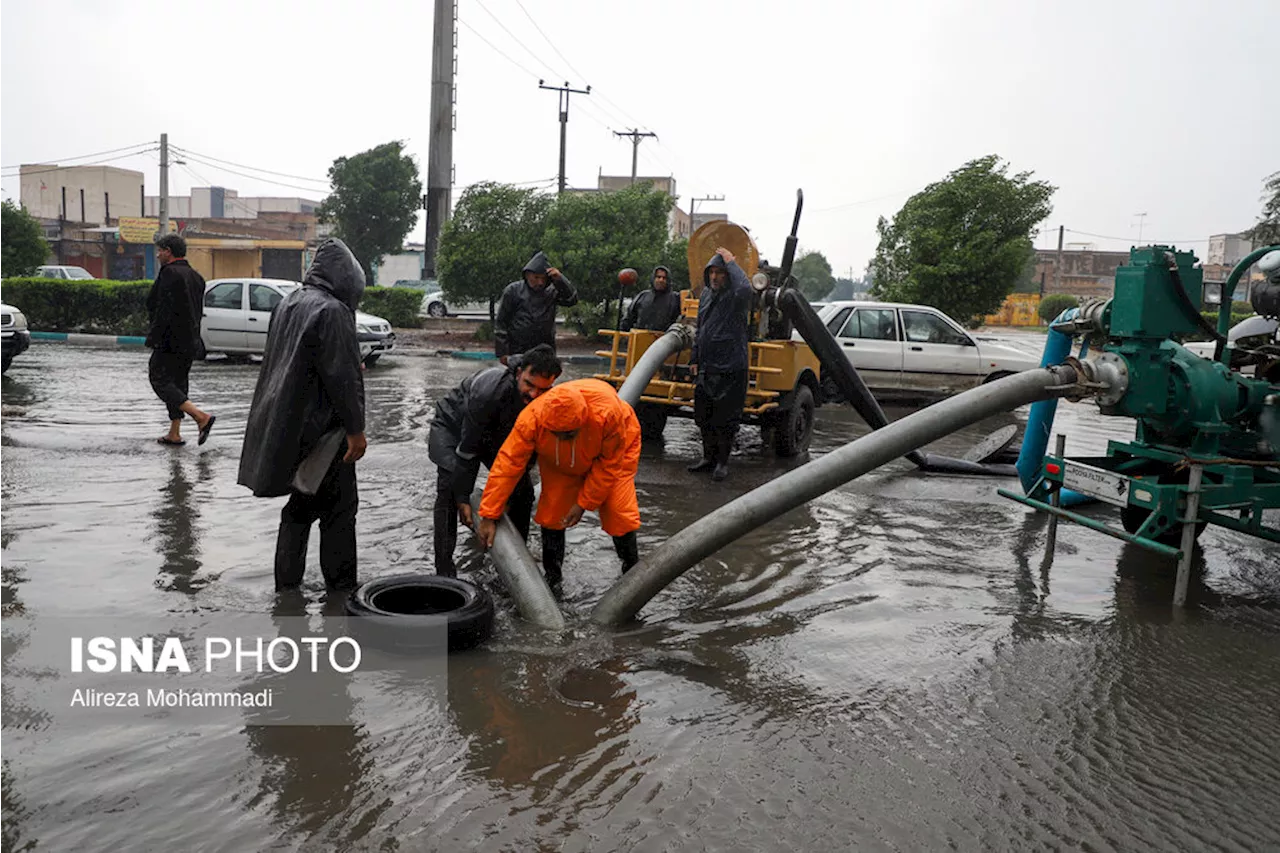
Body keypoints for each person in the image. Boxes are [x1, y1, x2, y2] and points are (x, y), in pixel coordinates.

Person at [237, 239, 368, 592]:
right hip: (327, 431)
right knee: (340, 512)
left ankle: (287, 589)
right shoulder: (333, 311)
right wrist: (356, 431)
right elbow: (342, 376)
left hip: (291, 425)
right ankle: (341, 595)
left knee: (301, 507)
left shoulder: (288, 303)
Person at [476, 379, 641, 586]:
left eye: (569, 434)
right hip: (558, 459)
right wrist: (489, 514)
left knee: (619, 512)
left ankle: (632, 572)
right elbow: (508, 464)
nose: (564, 438)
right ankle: (553, 579)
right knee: (552, 513)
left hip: (615, 451)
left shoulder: (609, 414)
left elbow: (608, 466)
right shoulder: (531, 419)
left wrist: (583, 504)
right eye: (559, 434)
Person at [427, 344, 563, 577]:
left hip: (497, 436)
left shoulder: (546, 401)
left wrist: (505, 500)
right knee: (450, 490)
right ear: (519, 372)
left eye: (542, 389)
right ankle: (444, 572)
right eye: (529, 385)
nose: (533, 395)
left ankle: (515, 566)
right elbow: (468, 450)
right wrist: (463, 498)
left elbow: (526, 456)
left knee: (523, 494)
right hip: (453, 428)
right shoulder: (488, 391)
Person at [146, 233, 216, 446]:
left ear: (168, 251)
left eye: (160, 251)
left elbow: (162, 309)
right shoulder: (197, 277)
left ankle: (200, 417)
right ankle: (174, 433)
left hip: (170, 339)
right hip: (191, 340)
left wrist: (154, 336)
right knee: (178, 383)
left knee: (158, 378)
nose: (158, 255)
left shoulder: (169, 273)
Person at [688, 247, 752, 481]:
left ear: (728, 275)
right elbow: (700, 327)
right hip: (707, 366)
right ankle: (708, 458)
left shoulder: (736, 296)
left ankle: (722, 463)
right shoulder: (706, 295)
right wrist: (695, 357)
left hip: (731, 367)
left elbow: (746, 289)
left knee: (726, 418)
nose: (715, 277)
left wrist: (731, 262)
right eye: (711, 272)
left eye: (720, 272)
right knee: (704, 416)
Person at [494, 251, 578, 363]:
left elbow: (571, 300)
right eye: (536, 277)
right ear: (527, 274)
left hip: (545, 348)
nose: (540, 282)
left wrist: (560, 279)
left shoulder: (552, 291)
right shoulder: (513, 290)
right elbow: (501, 322)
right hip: (518, 348)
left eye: (543, 278)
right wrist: (502, 352)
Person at [620, 265, 682, 332]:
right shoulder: (642, 296)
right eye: (658, 277)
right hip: (640, 338)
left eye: (664, 278)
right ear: (653, 278)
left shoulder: (676, 299)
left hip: (664, 340)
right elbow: (628, 319)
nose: (661, 280)